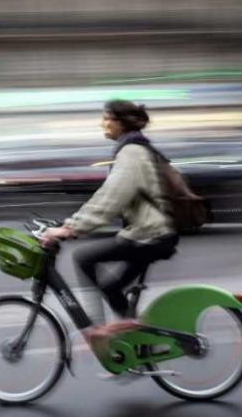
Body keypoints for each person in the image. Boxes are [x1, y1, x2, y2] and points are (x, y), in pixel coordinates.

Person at [41, 99, 179, 349]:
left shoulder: (132, 152)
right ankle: (139, 344)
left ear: (121, 122)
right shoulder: (133, 149)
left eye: (107, 118)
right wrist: (68, 223)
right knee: (110, 286)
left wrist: (71, 228)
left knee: (84, 257)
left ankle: (98, 331)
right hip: (149, 233)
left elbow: (111, 198)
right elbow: (109, 198)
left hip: (150, 235)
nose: (102, 123)